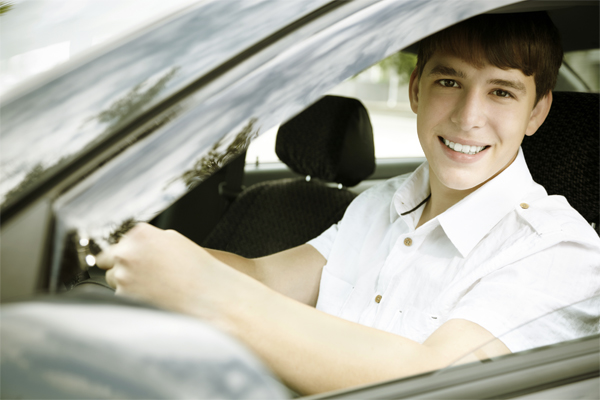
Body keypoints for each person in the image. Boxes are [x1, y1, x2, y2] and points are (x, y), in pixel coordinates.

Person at [96, 12, 600, 395]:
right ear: (415, 91)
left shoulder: (562, 251)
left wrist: (206, 294)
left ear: (537, 111)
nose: (469, 116)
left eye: (502, 93)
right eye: (449, 82)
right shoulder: (380, 203)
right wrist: (133, 248)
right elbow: (266, 278)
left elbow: (435, 380)